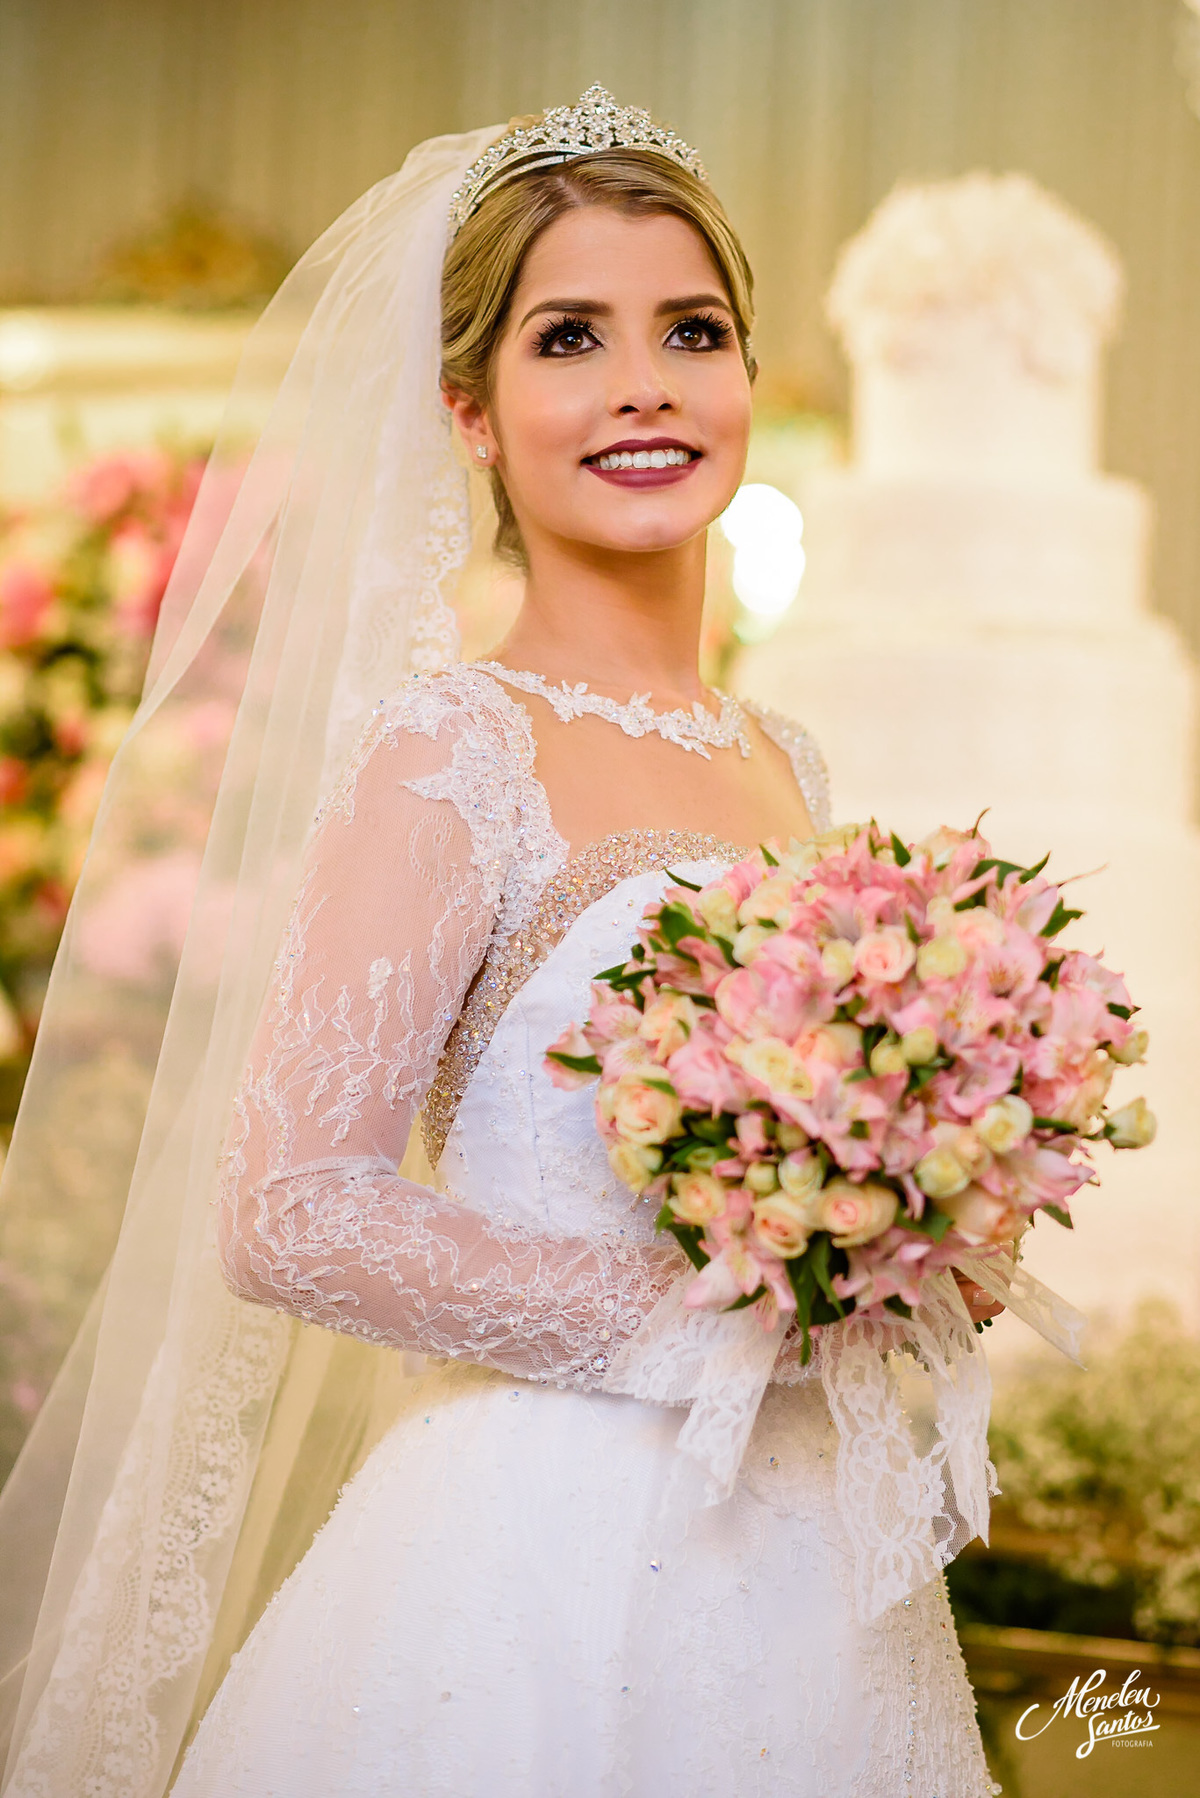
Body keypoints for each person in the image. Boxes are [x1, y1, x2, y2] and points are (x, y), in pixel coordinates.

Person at [0, 90, 1003, 1797]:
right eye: (569, 338)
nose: (644, 383)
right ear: (468, 412)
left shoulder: (788, 761)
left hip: (810, 1562)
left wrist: (910, 1232)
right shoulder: (450, 748)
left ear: (748, 373)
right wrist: (699, 1319)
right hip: (536, 1560)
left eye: (693, 330)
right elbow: (289, 1208)